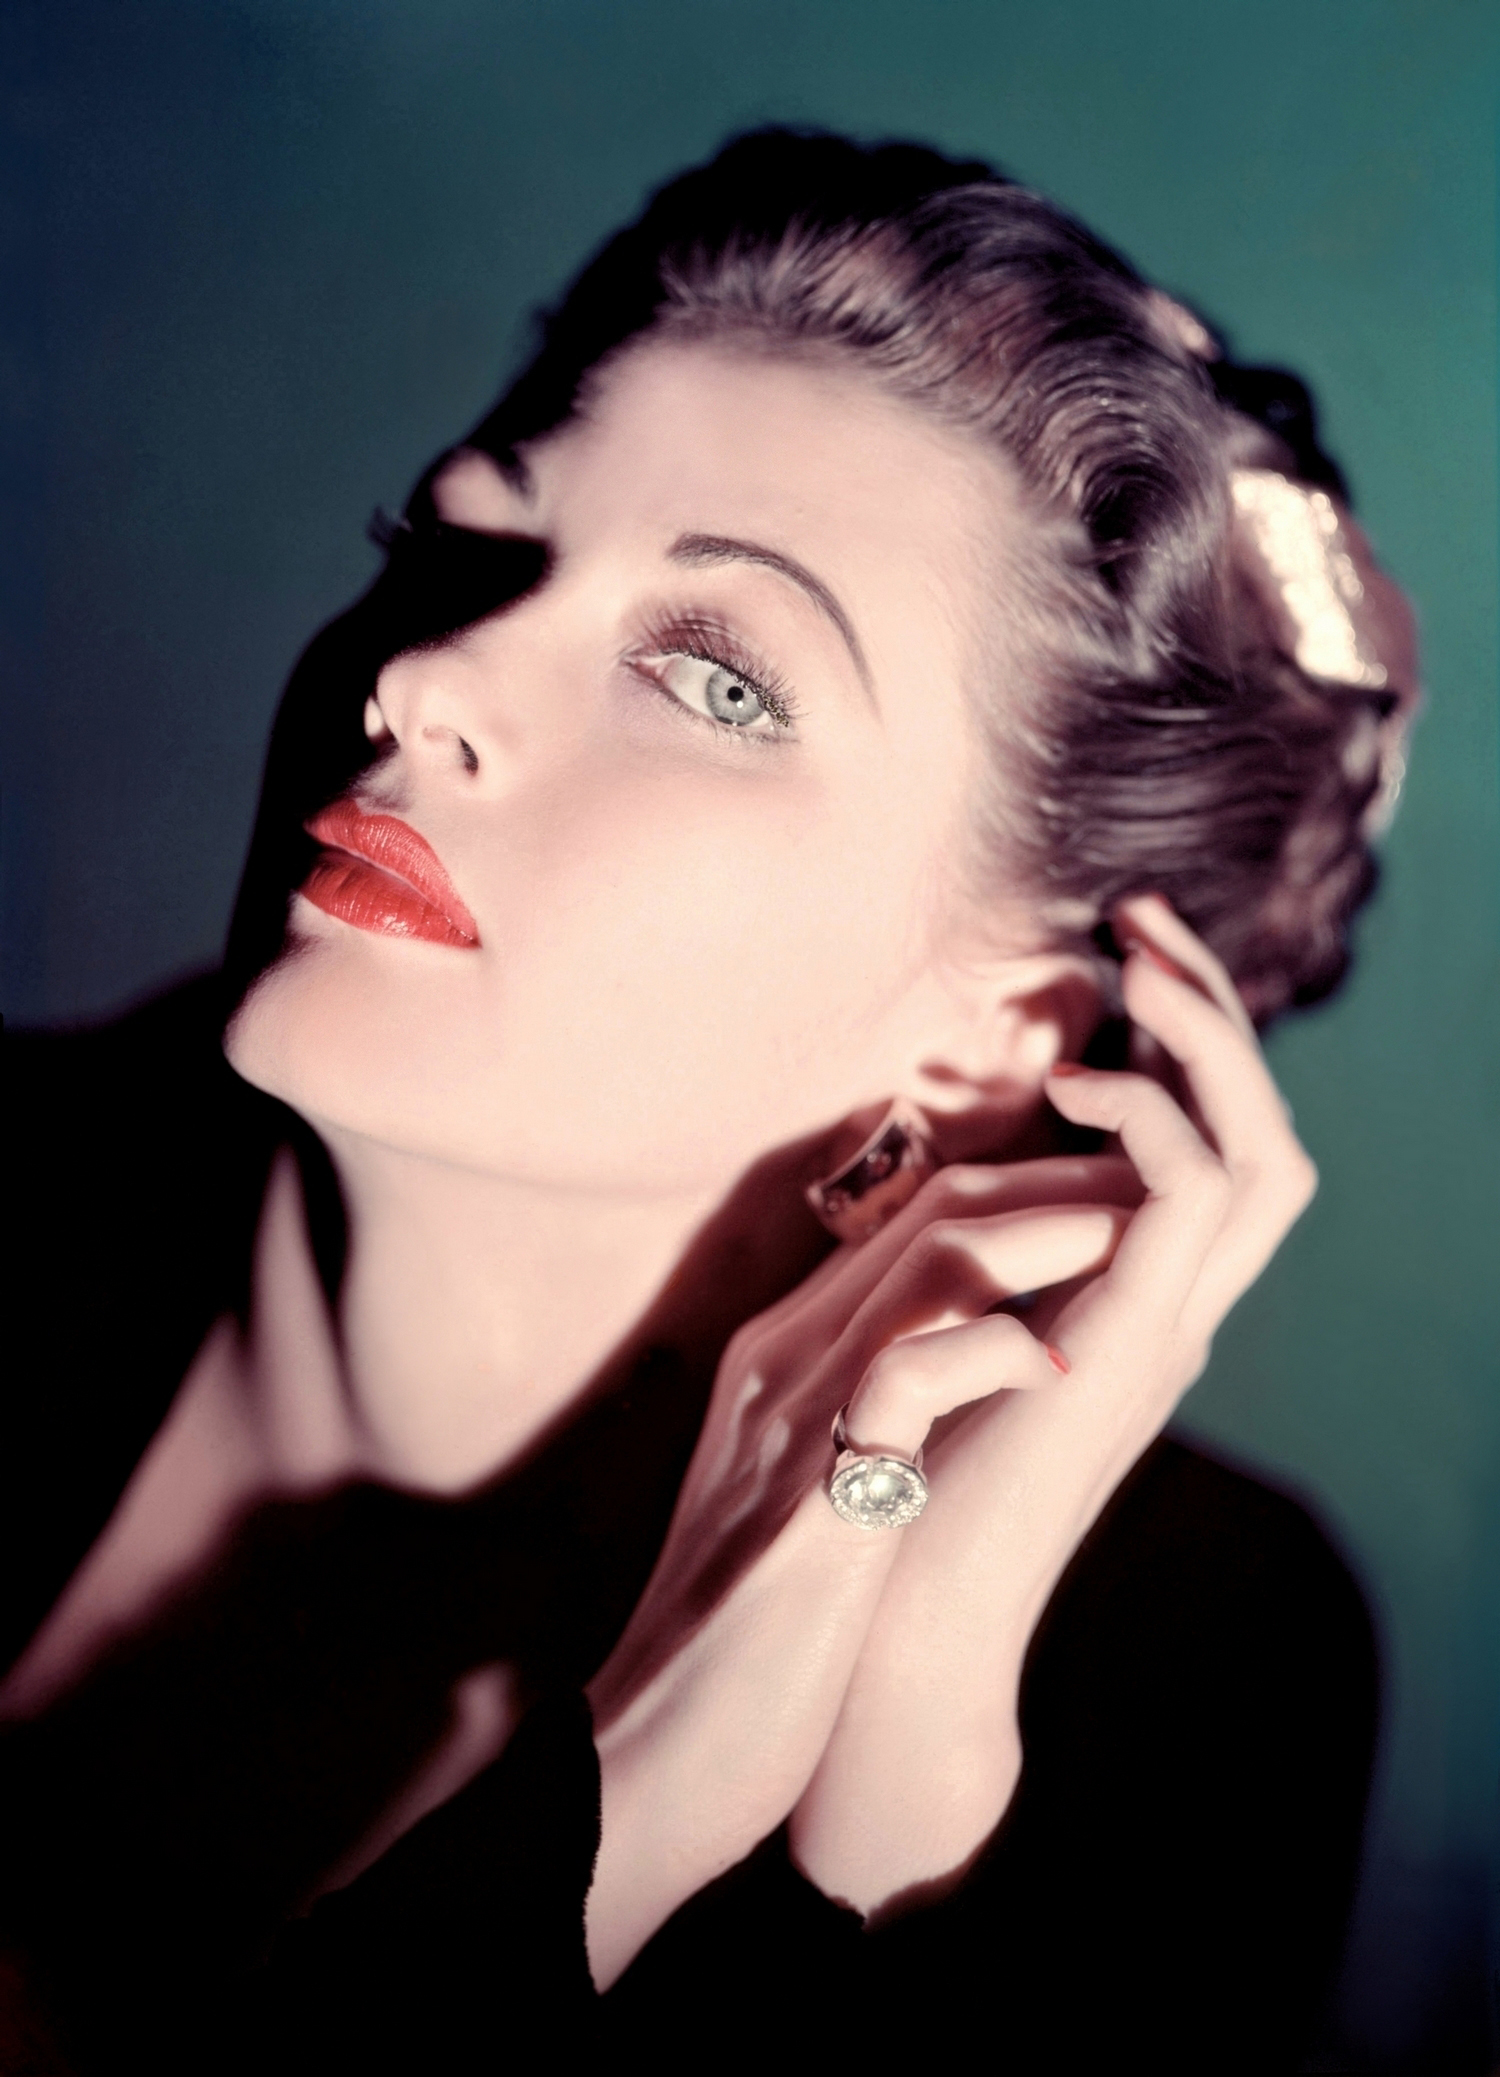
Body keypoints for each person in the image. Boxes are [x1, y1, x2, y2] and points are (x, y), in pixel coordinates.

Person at [2, 128, 1418, 2073]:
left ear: (993, 1041)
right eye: (467, 545)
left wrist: (893, 1788)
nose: (430, 677)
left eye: (717, 677)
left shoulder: (1183, 1666)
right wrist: (642, 1786)